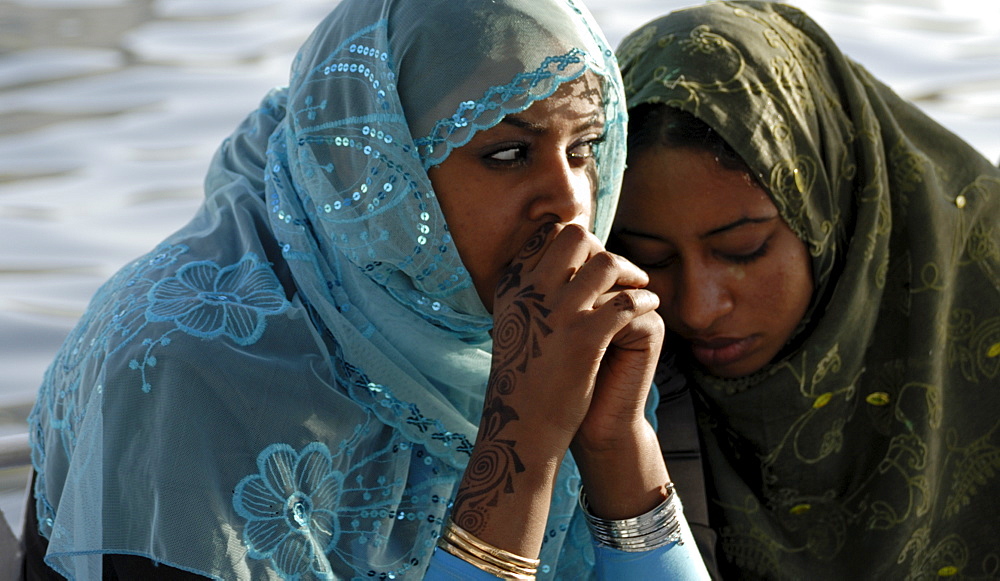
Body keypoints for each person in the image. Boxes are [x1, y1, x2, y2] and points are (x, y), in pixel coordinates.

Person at [23, 0, 712, 579]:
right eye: (507, 153)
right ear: (374, 160)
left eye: (584, 149)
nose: (568, 205)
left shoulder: (553, 343)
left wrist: (615, 439)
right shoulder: (183, 376)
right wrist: (522, 441)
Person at [610, 2, 1000, 579]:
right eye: (650, 258)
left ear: (833, 213)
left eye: (743, 249)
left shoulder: (980, 288)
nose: (697, 308)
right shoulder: (593, 362)